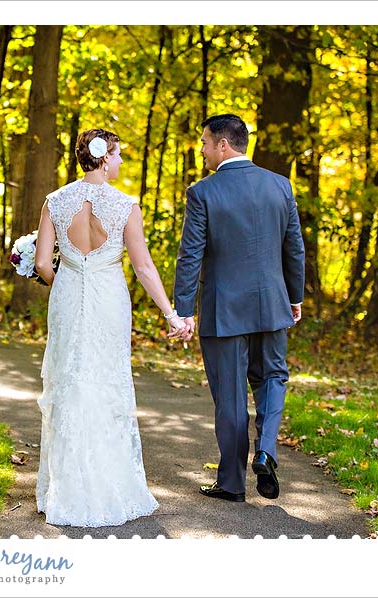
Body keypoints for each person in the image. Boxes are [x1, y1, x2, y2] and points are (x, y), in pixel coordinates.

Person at [33, 128, 182, 527]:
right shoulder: (124, 205)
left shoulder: (56, 201)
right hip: (109, 300)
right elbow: (144, 267)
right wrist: (170, 314)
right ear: (102, 157)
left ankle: (63, 487)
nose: (119, 161)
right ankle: (106, 481)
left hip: (67, 298)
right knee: (106, 381)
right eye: (117, 155)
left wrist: (64, 281)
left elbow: (44, 263)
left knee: (68, 380)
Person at [170, 114, 305, 502]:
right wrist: (293, 297)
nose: (203, 150)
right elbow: (293, 248)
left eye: (205, 143)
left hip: (223, 311)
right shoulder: (280, 186)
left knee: (230, 396)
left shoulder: (203, 193)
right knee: (273, 378)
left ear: (223, 145)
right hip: (272, 306)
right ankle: (265, 450)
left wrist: (184, 309)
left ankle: (231, 483)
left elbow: (190, 255)